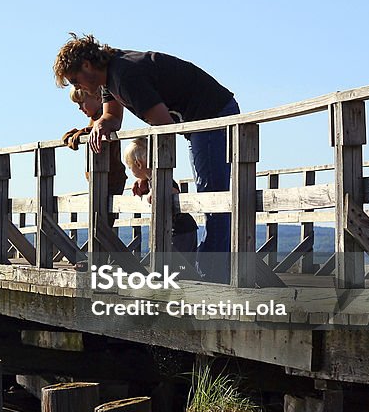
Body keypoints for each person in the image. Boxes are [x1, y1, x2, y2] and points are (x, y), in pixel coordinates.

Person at [53, 33, 239, 282]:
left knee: (212, 196)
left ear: (87, 65)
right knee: (210, 194)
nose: (78, 88)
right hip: (199, 118)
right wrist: (99, 125)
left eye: (76, 81)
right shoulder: (110, 75)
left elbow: (163, 129)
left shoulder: (125, 75)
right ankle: (212, 272)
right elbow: (113, 117)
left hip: (213, 114)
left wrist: (155, 178)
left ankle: (213, 276)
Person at [122, 138, 199, 257]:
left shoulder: (161, 177)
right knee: (177, 264)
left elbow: (172, 190)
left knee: (180, 265)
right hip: (176, 228)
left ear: (138, 164)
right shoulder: (152, 178)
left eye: (129, 167)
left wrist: (151, 194)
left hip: (180, 229)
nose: (130, 171)